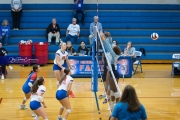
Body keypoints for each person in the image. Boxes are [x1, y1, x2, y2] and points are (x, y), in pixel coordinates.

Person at [101, 32, 121, 109]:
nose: (111, 48)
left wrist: (104, 39)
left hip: (114, 73)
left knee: (115, 90)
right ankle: (112, 104)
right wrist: (108, 36)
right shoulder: (112, 53)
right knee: (112, 90)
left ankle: (118, 105)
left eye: (113, 48)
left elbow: (108, 46)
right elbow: (109, 44)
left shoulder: (114, 55)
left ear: (114, 50)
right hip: (110, 72)